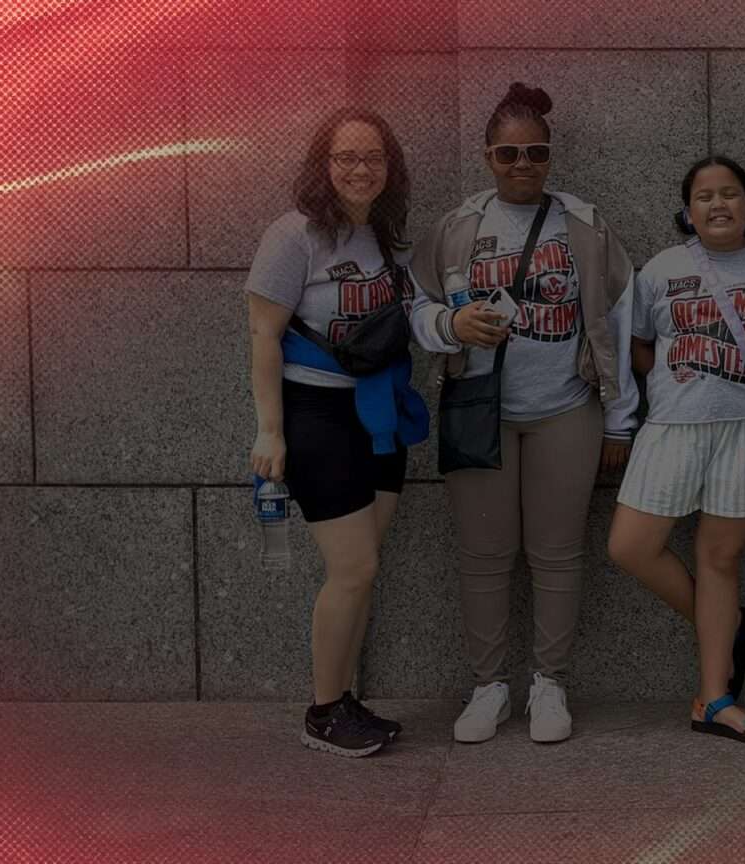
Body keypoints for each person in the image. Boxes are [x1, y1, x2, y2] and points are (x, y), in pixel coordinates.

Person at [409, 82, 638, 744]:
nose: (522, 165)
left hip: (567, 408)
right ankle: (489, 687)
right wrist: (451, 324)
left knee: (558, 554)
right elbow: (414, 305)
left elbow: (619, 320)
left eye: (535, 152)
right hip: (480, 411)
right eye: (508, 154)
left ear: (550, 155)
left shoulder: (585, 223)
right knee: (484, 555)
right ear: (487, 157)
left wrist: (620, 418)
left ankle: (549, 684)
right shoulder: (458, 226)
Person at [245, 107, 428, 757]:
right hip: (316, 416)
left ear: (390, 169)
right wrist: (271, 432)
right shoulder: (293, 236)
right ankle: (323, 712)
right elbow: (264, 335)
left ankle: (343, 699)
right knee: (354, 567)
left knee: (363, 572)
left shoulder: (387, 239)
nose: (360, 169)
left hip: (378, 416)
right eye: (346, 156)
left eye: (373, 157)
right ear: (323, 165)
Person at [607, 155, 745, 745]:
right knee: (630, 546)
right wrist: (679, 379)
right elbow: (638, 348)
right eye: (705, 196)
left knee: (720, 560)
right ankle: (726, 622)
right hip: (672, 425)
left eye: (731, 193)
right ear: (687, 211)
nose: (719, 205)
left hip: (743, 428)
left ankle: (714, 699)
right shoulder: (661, 270)